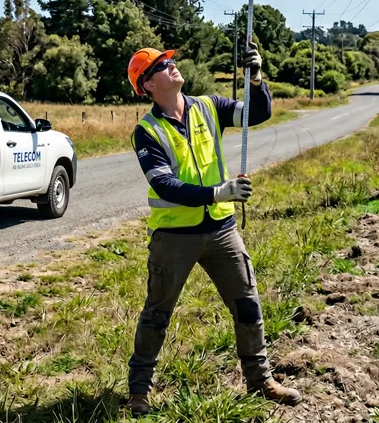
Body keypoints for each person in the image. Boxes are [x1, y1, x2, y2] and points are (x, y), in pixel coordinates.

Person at [123, 42, 302, 416]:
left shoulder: (209, 106)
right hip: (174, 237)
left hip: (222, 231)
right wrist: (220, 191)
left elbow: (259, 113)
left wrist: (256, 77)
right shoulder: (147, 132)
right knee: (157, 314)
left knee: (248, 304)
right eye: (160, 65)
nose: (170, 65)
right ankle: (139, 391)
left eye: (170, 60)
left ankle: (261, 380)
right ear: (148, 86)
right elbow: (165, 185)